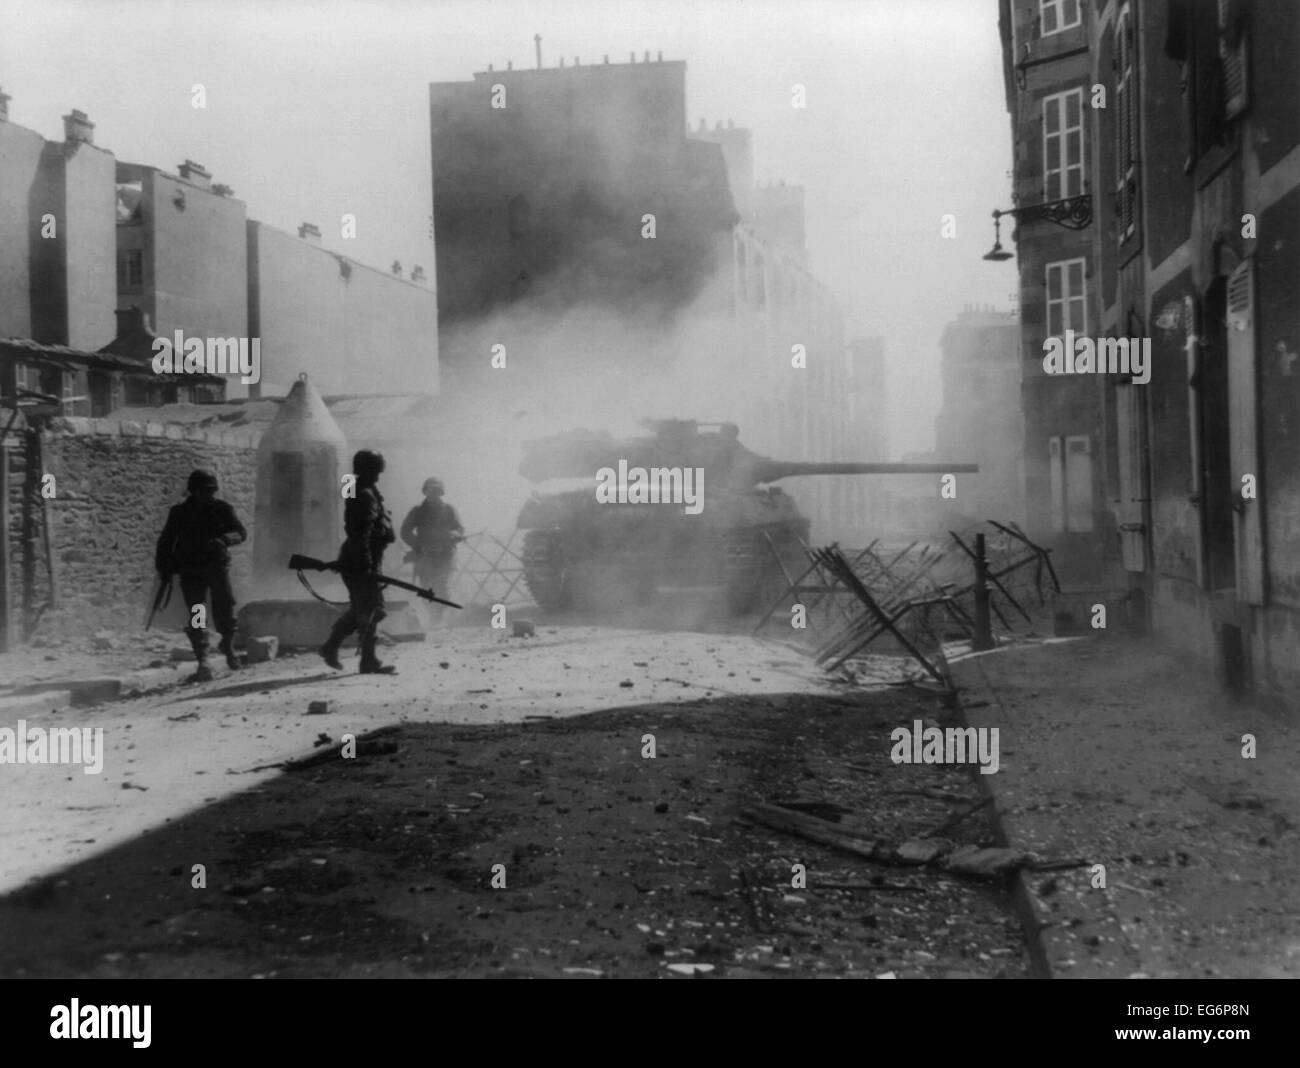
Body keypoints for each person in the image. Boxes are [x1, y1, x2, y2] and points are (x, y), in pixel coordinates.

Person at [155, 469, 247, 682]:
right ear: (193, 491)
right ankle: (203, 657)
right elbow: (166, 541)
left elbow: (240, 532)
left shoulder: (222, 509)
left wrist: (225, 539)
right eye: (203, 491)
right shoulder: (179, 513)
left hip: (216, 567)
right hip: (191, 570)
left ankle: (228, 645)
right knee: (197, 613)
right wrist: (165, 568)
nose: (208, 495)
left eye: (211, 491)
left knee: (225, 607)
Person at [319, 449, 398, 675]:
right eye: (375, 471)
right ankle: (367, 659)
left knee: (365, 609)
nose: (378, 476)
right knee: (370, 609)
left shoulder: (363, 491)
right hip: (361, 560)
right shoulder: (362, 494)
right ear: (367, 470)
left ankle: (333, 647)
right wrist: (365, 565)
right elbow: (360, 534)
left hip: (363, 558)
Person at [400, 477, 464, 624]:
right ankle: (433, 617)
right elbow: (405, 531)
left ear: (441, 492)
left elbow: (459, 528)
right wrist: (417, 545)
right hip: (425, 556)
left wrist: (455, 535)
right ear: (425, 492)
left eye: (436, 491)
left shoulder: (449, 510)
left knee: (444, 588)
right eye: (430, 491)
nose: (433, 494)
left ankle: (439, 617)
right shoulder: (417, 511)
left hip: (445, 555)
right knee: (427, 589)